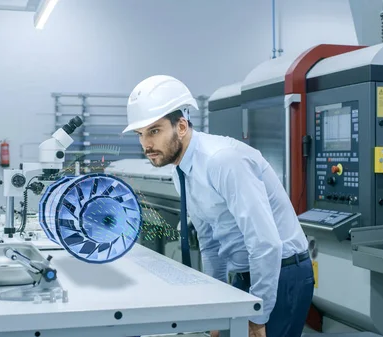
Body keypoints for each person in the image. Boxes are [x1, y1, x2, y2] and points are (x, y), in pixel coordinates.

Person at [123, 75, 314, 337]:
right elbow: (210, 243)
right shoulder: (181, 172)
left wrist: (258, 317)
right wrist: (214, 307)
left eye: (154, 131)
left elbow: (265, 243)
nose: (146, 144)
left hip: (282, 273)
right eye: (140, 134)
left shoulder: (223, 161)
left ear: (181, 126)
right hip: (245, 273)